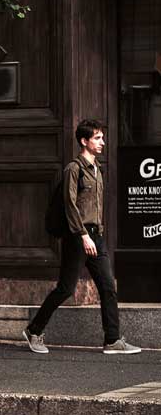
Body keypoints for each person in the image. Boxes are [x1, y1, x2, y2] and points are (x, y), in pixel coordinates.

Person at [24, 119, 141, 355]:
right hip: (78, 237)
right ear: (84, 141)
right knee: (66, 289)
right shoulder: (74, 169)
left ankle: (112, 340)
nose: (102, 142)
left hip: (96, 237)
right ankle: (34, 331)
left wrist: (96, 234)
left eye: (102, 137)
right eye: (97, 138)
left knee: (108, 287)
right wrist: (83, 235)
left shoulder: (98, 169)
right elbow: (70, 206)